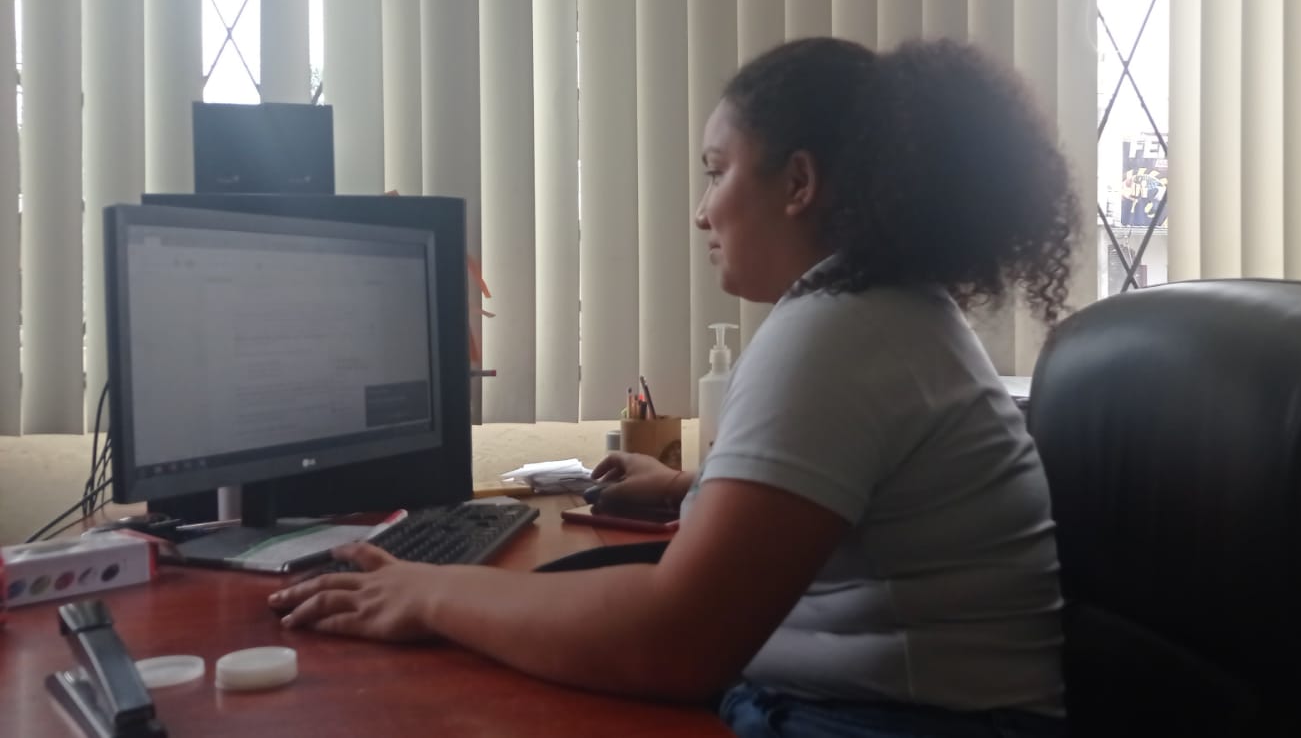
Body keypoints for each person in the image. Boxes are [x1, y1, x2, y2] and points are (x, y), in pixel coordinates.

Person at [270, 37, 1083, 737]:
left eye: (717, 171)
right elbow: (859, 509)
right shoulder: (887, 313)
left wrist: (429, 592)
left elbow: (673, 641)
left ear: (798, 182)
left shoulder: (841, 332)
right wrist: (693, 488)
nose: (701, 212)